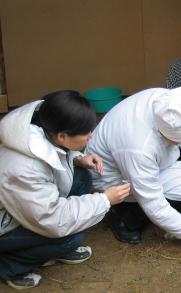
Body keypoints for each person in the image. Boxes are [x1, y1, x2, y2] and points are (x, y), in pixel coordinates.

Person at [0, 91, 130, 289]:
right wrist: (105, 200)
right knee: (70, 238)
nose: (91, 136)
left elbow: (53, 151)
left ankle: (44, 250)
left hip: (23, 205)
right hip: (5, 225)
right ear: (62, 136)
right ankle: (10, 266)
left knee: (82, 177)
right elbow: (52, 219)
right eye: (85, 133)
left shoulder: (41, 126)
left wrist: (77, 157)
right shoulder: (26, 169)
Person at [85, 87, 181, 244]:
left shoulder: (178, 106)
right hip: (110, 175)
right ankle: (122, 214)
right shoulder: (138, 145)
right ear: (163, 132)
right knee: (147, 204)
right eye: (177, 141)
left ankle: (163, 212)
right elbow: (153, 203)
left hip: (151, 160)